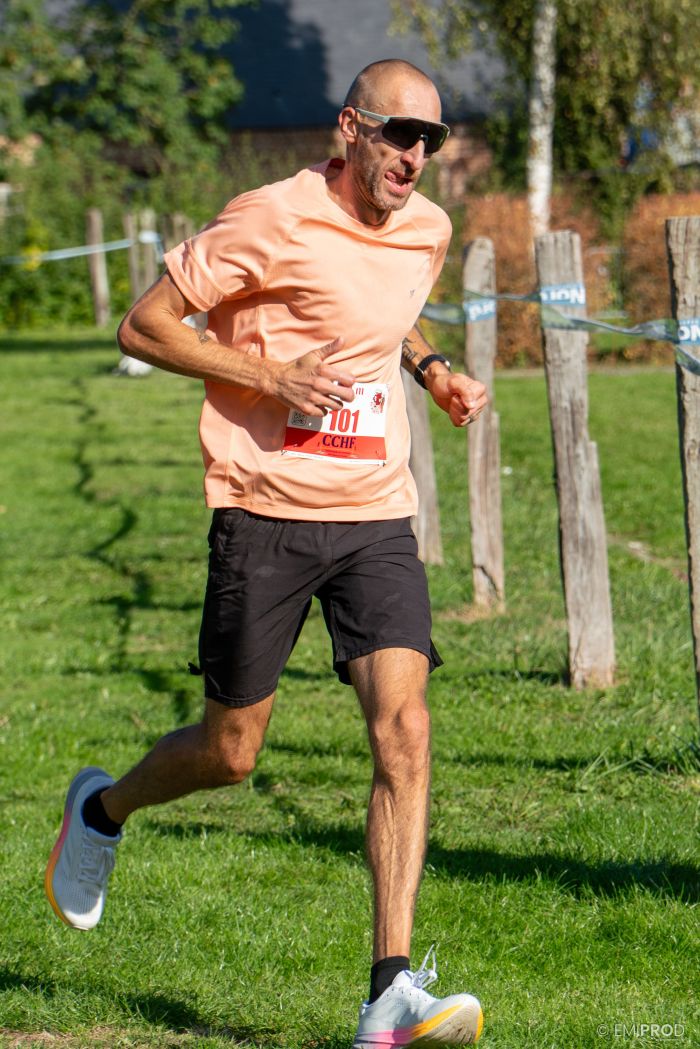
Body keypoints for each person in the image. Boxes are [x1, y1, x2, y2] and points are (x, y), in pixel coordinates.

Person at [45, 59, 487, 1047]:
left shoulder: (427, 229)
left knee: (403, 728)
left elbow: (378, 308)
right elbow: (146, 323)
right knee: (231, 750)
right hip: (264, 508)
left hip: (374, 511)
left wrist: (432, 366)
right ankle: (106, 808)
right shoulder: (268, 216)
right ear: (350, 127)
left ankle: (388, 990)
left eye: (431, 139)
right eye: (397, 133)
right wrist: (266, 373)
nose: (414, 154)